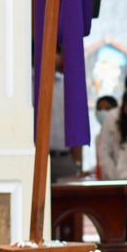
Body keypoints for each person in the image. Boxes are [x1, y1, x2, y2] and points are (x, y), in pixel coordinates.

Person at [48, 48, 82, 179]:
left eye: (56, 53)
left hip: (65, 158)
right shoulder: (27, 85)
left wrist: (78, 163)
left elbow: (77, 125)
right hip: (35, 158)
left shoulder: (67, 84)